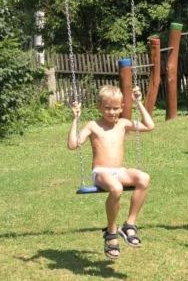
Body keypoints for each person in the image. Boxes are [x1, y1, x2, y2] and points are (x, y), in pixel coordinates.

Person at [68, 85, 154, 259]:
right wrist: (75, 119)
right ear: (99, 107)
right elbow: (73, 145)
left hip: (118, 171)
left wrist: (138, 102)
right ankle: (111, 233)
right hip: (101, 172)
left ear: (122, 107)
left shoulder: (122, 123)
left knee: (144, 178)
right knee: (116, 188)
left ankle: (129, 224)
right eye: (107, 108)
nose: (112, 112)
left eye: (116, 108)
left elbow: (149, 125)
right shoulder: (93, 125)